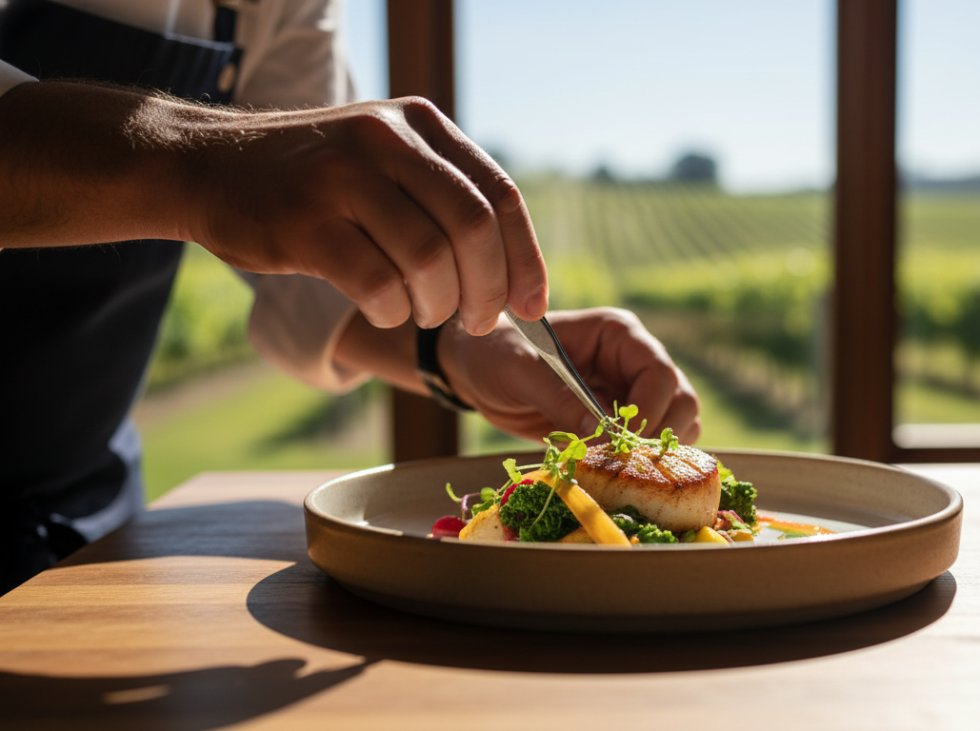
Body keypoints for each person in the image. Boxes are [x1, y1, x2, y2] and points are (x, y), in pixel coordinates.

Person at [0, 0, 700, 593]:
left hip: (85, 506)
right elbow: (251, 168)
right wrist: (200, 164)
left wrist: (466, 345)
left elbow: (318, 271)